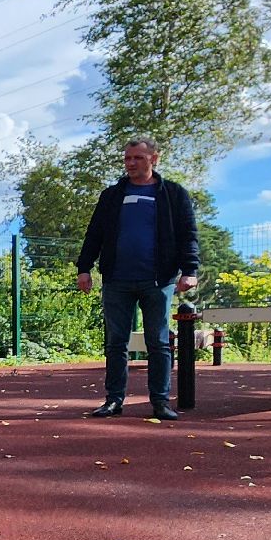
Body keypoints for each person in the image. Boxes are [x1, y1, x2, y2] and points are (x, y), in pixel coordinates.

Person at [75, 137, 200, 421]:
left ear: (154, 159)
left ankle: (160, 402)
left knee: (158, 342)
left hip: (158, 281)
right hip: (117, 280)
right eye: (127, 158)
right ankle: (113, 400)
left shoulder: (174, 194)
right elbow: (94, 234)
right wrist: (84, 268)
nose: (131, 163)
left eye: (138, 158)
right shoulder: (112, 196)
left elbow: (188, 235)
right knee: (116, 343)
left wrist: (189, 271)